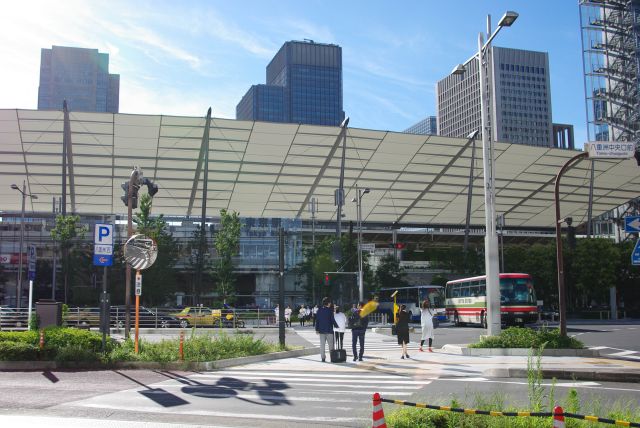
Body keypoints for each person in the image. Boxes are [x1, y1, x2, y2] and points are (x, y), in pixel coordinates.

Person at [315, 297, 338, 362]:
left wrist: (317, 329)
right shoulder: (330, 310)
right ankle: (332, 357)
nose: (330, 303)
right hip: (329, 330)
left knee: (322, 345)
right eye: (330, 302)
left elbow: (317, 321)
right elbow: (332, 320)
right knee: (331, 345)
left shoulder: (319, 310)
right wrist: (337, 326)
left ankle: (323, 358)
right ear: (328, 303)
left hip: (321, 331)